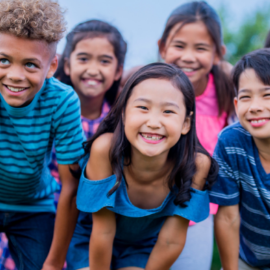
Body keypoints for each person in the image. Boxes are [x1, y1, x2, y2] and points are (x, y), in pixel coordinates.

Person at [74, 63, 218, 270]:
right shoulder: (105, 149)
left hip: (141, 246)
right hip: (91, 239)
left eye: (168, 111)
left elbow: (171, 240)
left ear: (186, 123)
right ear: (124, 113)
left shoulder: (196, 165)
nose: (153, 122)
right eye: (143, 108)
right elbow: (103, 231)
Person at [0, 0, 85, 269]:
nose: (15, 75)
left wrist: (54, 261)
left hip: (33, 206)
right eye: (3, 60)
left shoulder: (62, 101)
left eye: (30, 65)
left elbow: (71, 185)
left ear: (51, 66)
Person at [157, 2, 235, 269]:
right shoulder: (150, 87)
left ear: (218, 54)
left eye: (201, 48)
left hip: (199, 209)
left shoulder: (227, 91)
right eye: (179, 46)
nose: (189, 56)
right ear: (162, 47)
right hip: (151, 202)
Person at [50, 19, 127, 270]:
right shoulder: (49, 109)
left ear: (118, 71)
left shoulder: (121, 122)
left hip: (93, 227)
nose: (93, 69)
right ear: (67, 64)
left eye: (104, 61)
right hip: (45, 213)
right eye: (83, 58)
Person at [210, 48, 270, 270]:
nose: (255, 107)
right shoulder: (231, 142)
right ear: (236, 105)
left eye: (267, 95)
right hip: (247, 258)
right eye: (246, 97)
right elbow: (228, 218)